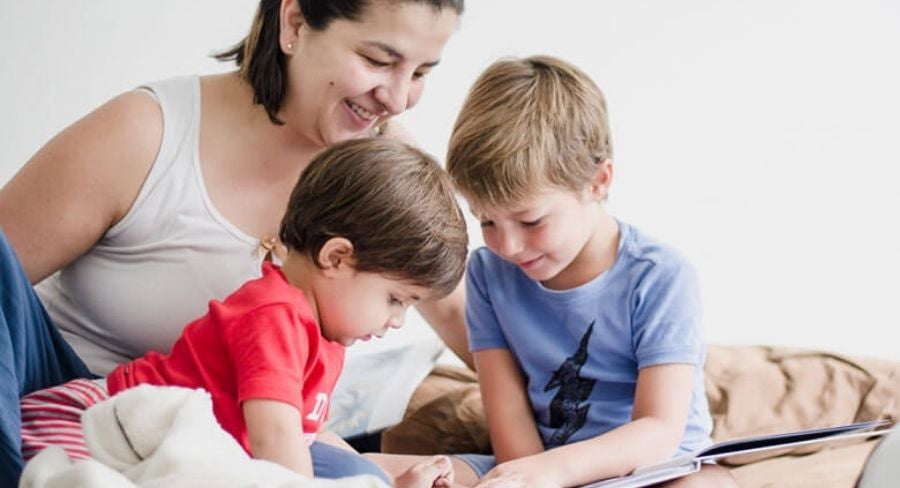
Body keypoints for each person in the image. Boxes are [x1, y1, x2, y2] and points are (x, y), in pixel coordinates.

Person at [0, 0, 468, 484]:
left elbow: (464, 315)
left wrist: (541, 450)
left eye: (421, 72)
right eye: (377, 60)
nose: (396, 98)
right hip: (75, 391)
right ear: (294, 22)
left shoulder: (390, 169)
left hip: (206, 434)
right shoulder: (147, 131)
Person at [15, 138, 468, 486]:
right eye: (396, 299)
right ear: (336, 257)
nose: (397, 321)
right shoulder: (276, 316)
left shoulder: (325, 335)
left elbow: (309, 442)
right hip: (93, 421)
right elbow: (277, 446)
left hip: (162, 445)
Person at [442, 55, 737, 486]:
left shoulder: (659, 275)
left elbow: (659, 428)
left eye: (530, 221)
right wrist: (527, 478)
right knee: (427, 473)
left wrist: (549, 474)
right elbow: (509, 421)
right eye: (486, 221)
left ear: (597, 182)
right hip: (540, 466)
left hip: (654, 469)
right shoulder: (489, 273)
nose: (507, 245)